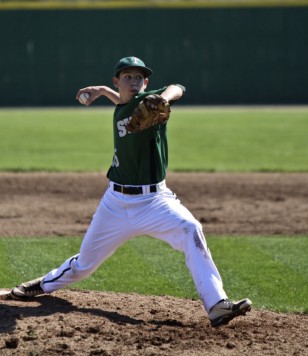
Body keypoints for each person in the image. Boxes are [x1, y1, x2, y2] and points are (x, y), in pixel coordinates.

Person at [10, 56, 252, 327]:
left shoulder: (150, 102)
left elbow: (178, 86)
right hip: (115, 203)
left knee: (190, 229)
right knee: (84, 264)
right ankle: (43, 284)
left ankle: (217, 305)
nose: (134, 81)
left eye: (139, 77)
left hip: (154, 201)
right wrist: (102, 91)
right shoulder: (123, 104)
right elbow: (122, 101)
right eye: (128, 77)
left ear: (146, 82)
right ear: (118, 81)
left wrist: (165, 99)